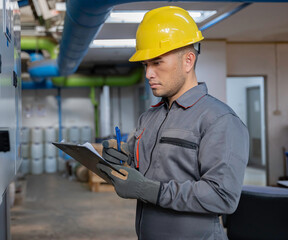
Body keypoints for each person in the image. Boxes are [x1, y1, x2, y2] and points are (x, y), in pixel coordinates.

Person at [97, 6, 249, 240]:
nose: (148, 73)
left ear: (188, 61)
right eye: (146, 64)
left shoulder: (219, 120)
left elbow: (222, 196)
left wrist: (151, 191)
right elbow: (147, 169)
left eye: (157, 62)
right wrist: (124, 157)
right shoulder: (149, 116)